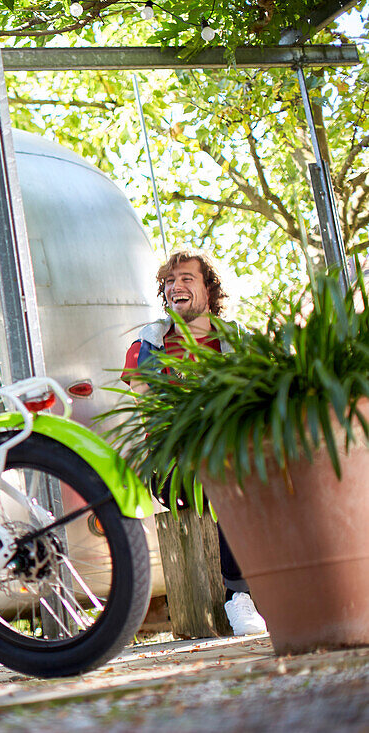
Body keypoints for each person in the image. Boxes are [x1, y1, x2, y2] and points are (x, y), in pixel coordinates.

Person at [122, 250, 267, 637]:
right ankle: (240, 597)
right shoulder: (148, 345)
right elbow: (151, 410)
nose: (175, 287)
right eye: (169, 281)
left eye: (186, 278)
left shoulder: (237, 341)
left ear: (209, 288)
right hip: (175, 465)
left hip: (239, 452)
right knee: (223, 474)